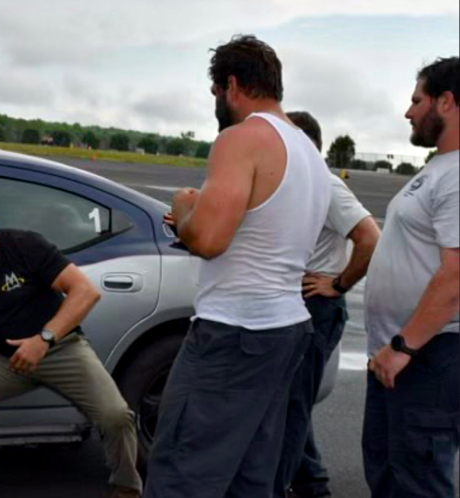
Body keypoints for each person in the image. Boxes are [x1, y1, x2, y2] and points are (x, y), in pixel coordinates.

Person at [145, 35, 331, 498]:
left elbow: (208, 239)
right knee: (251, 475)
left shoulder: (242, 138)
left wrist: (185, 207)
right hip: (286, 328)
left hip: (234, 332)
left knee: (182, 471)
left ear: (230, 85)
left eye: (215, 94)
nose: (216, 105)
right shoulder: (308, 152)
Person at [0, 192, 143, 498]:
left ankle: (126, 489)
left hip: (62, 349)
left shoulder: (24, 245)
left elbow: (85, 292)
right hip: (7, 360)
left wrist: (43, 340)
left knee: (116, 416)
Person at [363, 57, 459, 498]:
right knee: (390, 475)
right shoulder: (439, 168)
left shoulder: (457, 174)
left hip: (426, 357)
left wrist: (403, 347)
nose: (408, 112)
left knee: (416, 483)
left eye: (416, 100)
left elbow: (456, 277)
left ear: (447, 101)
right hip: (399, 357)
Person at [274, 111, 381, 498]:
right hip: (300, 302)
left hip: (318, 307)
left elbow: (371, 238)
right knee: (293, 401)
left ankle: (280, 487)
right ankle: (311, 483)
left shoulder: (327, 185)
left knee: (291, 406)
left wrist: (338, 283)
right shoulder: (299, 183)